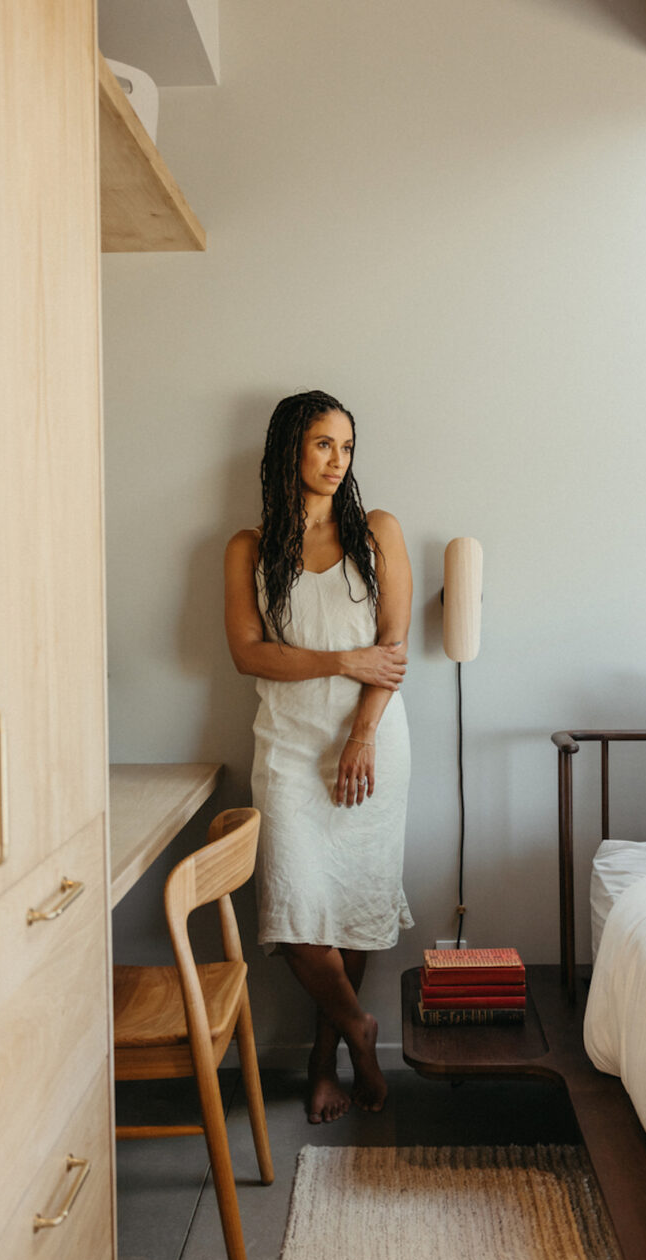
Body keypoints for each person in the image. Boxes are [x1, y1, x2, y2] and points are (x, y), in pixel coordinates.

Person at [224, 390, 413, 1124]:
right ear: (287, 451)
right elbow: (249, 655)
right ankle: (360, 1031)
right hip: (287, 746)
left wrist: (362, 733)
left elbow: (392, 655)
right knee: (297, 915)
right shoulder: (250, 545)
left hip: (372, 742)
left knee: (354, 904)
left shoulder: (378, 532)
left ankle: (324, 1058)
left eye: (345, 446)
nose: (336, 461)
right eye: (321, 445)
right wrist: (344, 660)